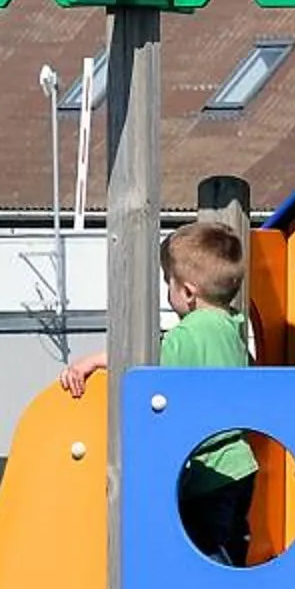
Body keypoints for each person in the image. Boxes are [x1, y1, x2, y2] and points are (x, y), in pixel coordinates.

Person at [59, 216, 257, 565]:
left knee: (202, 555)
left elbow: (146, 365)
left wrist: (93, 361)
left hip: (207, 470)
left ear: (188, 292)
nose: (168, 290)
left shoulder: (187, 334)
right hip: (240, 465)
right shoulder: (232, 327)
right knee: (229, 551)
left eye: (169, 282)